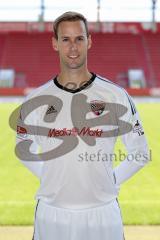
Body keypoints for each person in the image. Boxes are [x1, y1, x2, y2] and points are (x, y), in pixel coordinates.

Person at [16, 11, 150, 240]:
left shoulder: (115, 95)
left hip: (103, 215)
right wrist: (50, 176)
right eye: (65, 39)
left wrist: (111, 180)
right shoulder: (36, 99)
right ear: (55, 43)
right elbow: (23, 150)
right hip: (52, 215)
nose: (73, 47)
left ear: (89, 41)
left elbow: (140, 153)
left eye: (79, 38)